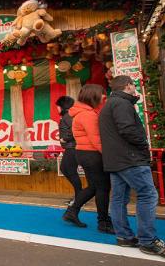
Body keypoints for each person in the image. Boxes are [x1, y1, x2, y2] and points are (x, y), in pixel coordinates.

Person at [100, 75, 165, 257]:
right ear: (127, 86)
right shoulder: (122, 104)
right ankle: (148, 240)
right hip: (130, 158)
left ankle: (124, 236)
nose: (134, 88)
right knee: (147, 194)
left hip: (116, 160)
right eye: (133, 85)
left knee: (118, 198)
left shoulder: (109, 104)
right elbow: (128, 129)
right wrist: (143, 145)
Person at [62, 84, 114, 234]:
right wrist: (109, 155)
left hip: (85, 153)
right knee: (103, 188)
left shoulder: (85, 112)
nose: (104, 98)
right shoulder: (88, 115)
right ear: (94, 96)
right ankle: (103, 222)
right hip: (92, 154)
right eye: (102, 95)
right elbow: (96, 139)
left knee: (94, 187)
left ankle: (72, 211)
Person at [56, 96, 82, 203]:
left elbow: (75, 130)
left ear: (63, 106)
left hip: (72, 147)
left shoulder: (68, 116)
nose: (57, 108)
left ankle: (79, 197)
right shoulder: (67, 116)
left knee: (68, 170)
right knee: (66, 169)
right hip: (70, 147)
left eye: (58, 106)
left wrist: (64, 139)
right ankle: (79, 195)